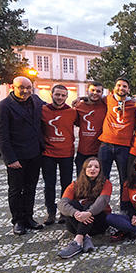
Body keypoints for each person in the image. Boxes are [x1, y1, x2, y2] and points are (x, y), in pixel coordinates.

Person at [0, 76, 44, 236]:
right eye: (21, 87)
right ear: (12, 87)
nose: (25, 91)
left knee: (30, 188)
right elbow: (1, 136)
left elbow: (51, 107)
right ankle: (18, 221)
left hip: (34, 153)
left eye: (28, 87)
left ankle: (29, 218)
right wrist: (10, 159)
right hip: (17, 156)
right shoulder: (3, 107)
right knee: (16, 190)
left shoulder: (36, 100)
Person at [57, 157, 112, 258]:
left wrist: (88, 213)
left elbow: (102, 201)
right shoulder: (75, 184)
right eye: (89, 166)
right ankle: (85, 237)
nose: (93, 169)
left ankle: (77, 242)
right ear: (84, 169)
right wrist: (75, 213)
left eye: (96, 167)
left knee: (89, 205)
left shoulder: (106, 183)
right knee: (72, 205)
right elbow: (61, 204)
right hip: (75, 224)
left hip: (98, 223)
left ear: (100, 170)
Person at [40, 84, 77, 226]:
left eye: (63, 95)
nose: (60, 97)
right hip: (48, 153)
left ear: (67, 96)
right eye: (57, 94)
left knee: (66, 184)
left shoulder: (72, 112)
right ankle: (50, 212)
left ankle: (64, 212)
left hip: (66, 153)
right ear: (52, 94)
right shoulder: (43, 110)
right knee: (49, 184)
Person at [98, 77, 136, 190]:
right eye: (119, 85)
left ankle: (124, 201)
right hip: (106, 144)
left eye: (124, 86)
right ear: (114, 88)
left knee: (124, 179)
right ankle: (103, 201)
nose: (121, 88)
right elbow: (93, 98)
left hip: (124, 147)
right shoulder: (107, 99)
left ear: (128, 90)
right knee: (102, 178)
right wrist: (81, 98)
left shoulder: (134, 104)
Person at [73, 82, 107, 175]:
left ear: (102, 93)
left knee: (99, 180)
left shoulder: (105, 106)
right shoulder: (79, 106)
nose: (95, 93)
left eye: (98, 91)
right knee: (81, 179)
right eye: (92, 90)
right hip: (83, 151)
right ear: (87, 90)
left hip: (99, 151)